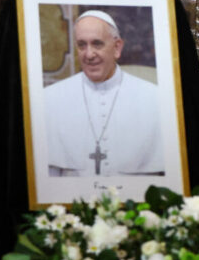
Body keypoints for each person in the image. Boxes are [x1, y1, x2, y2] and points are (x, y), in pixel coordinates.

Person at [44, 10, 163, 177]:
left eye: (97, 44)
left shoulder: (154, 99)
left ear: (117, 47)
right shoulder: (50, 99)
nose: (89, 54)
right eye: (81, 45)